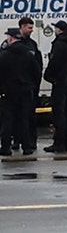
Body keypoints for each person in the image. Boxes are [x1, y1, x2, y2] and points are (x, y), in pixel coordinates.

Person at [7, 18, 41, 155]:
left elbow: (37, 67)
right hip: (13, 88)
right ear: (21, 27)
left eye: (32, 28)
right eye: (29, 28)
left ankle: (30, 142)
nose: (31, 30)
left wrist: (35, 85)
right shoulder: (9, 46)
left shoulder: (32, 45)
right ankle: (16, 140)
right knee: (13, 116)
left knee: (29, 116)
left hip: (28, 87)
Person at [43, 19, 67, 152]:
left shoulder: (59, 44)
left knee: (59, 113)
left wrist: (48, 75)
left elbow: (54, 62)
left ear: (60, 30)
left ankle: (59, 142)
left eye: (56, 28)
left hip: (60, 81)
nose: (55, 30)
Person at [0, 27, 19, 156]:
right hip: (24, 90)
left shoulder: (5, 55)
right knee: (23, 118)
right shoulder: (28, 52)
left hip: (7, 91)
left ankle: (6, 146)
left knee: (7, 119)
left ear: (11, 38)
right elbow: (36, 70)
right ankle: (26, 145)